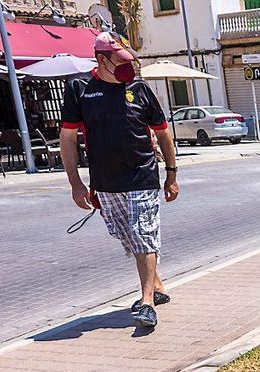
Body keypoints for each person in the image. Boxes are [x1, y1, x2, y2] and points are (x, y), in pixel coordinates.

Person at [59, 32, 179, 329]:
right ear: (101, 59)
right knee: (128, 237)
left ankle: (147, 301)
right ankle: (159, 287)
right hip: (105, 181)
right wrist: (75, 183)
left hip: (142, 176)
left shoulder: (138, 88)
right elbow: (68, 138)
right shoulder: (79, 88)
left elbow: (163, 132)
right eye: (121, 61)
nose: (128, 68)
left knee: (143, 233)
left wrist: (171, 174)